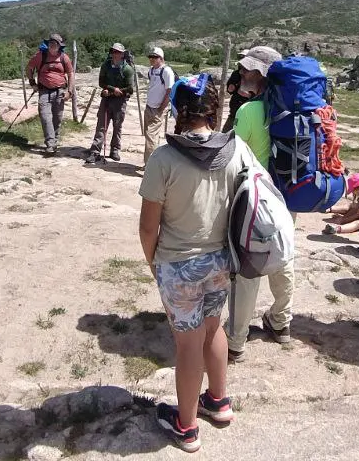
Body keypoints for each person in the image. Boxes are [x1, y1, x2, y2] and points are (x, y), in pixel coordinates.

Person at [138, 74, 239, 452]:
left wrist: (154, 265)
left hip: (178, 264)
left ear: (178, 110)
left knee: (187, 345)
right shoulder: (236, 150)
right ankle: (219, 401)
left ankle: (186, 426)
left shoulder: (164, 158)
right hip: (220, 261)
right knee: (213, 330)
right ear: (214, 110)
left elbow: (149, 228)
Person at [226, 45, 293, 361]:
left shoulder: (248, 111)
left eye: (248, 69)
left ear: (263, 75)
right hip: (286, 196)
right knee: (284, 259)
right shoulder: (295, 109)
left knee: (248, 269)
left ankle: (236, 341)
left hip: (255, 201)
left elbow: (232, 157)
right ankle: (281, 324)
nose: (242, 72)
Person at [25, 33, 74, 156]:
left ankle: (54, 141)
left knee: (57, 118)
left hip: (60, 91)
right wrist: (32, 83)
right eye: (51, 43)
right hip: (44, 91)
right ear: (48, 44)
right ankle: (51, 143)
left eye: (55, 43)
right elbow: (29, 68)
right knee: (45, 117)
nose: (53, 45)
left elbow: (71, 74)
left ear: (59, 45)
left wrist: (70, 91)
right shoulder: (40, 56)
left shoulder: (64, 58)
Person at [87, 42, 133, 164]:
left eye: (117, 52)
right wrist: (112, 90)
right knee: (101, 125)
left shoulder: (127, 69)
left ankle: (115, 150)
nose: (115, 54)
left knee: (117, 127)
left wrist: (117, 91)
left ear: (122, 54)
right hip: (106, 99)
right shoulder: (105, 65)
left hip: (120, 101)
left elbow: (130, 89)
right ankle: (95, 152)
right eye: (113, 51)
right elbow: (101, 82)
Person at [142, 47, 176, 164]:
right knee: (150, 136)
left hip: (158, 108)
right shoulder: (151, 71)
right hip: (149, 106)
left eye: (154, 57)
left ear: (161, 58)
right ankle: (154, 163)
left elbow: (169, 91)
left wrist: (162, 108)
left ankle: (150, 165)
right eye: (150, 57)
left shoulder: (166, 71)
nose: (151, 59)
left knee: (150, 136)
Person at [220, 50, 250, 133]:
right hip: (233, 112)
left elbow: (245, 93)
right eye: (240, 57)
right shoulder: (236, 74)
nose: (241, 60)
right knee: (225, 135)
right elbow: (230, 90)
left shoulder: (253, 76)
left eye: (243, 57)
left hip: (246, 114)